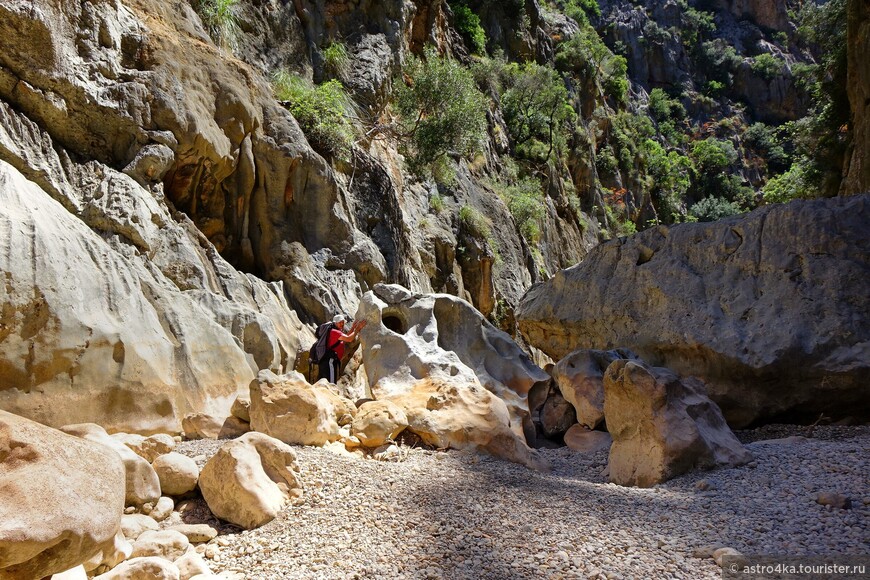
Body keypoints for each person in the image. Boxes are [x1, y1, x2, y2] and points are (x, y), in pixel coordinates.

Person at [318, 315, 367, 383]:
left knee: (329, 382)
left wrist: (353, 328)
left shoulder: (335, 331)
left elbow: (345, 338)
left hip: (330, 361)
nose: (342, 324)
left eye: (343, 322)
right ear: (335, 323)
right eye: (340, 322)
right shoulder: (335, 332)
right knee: (331, 383)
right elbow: (349, 339)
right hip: (329, 361)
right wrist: (358, 329)